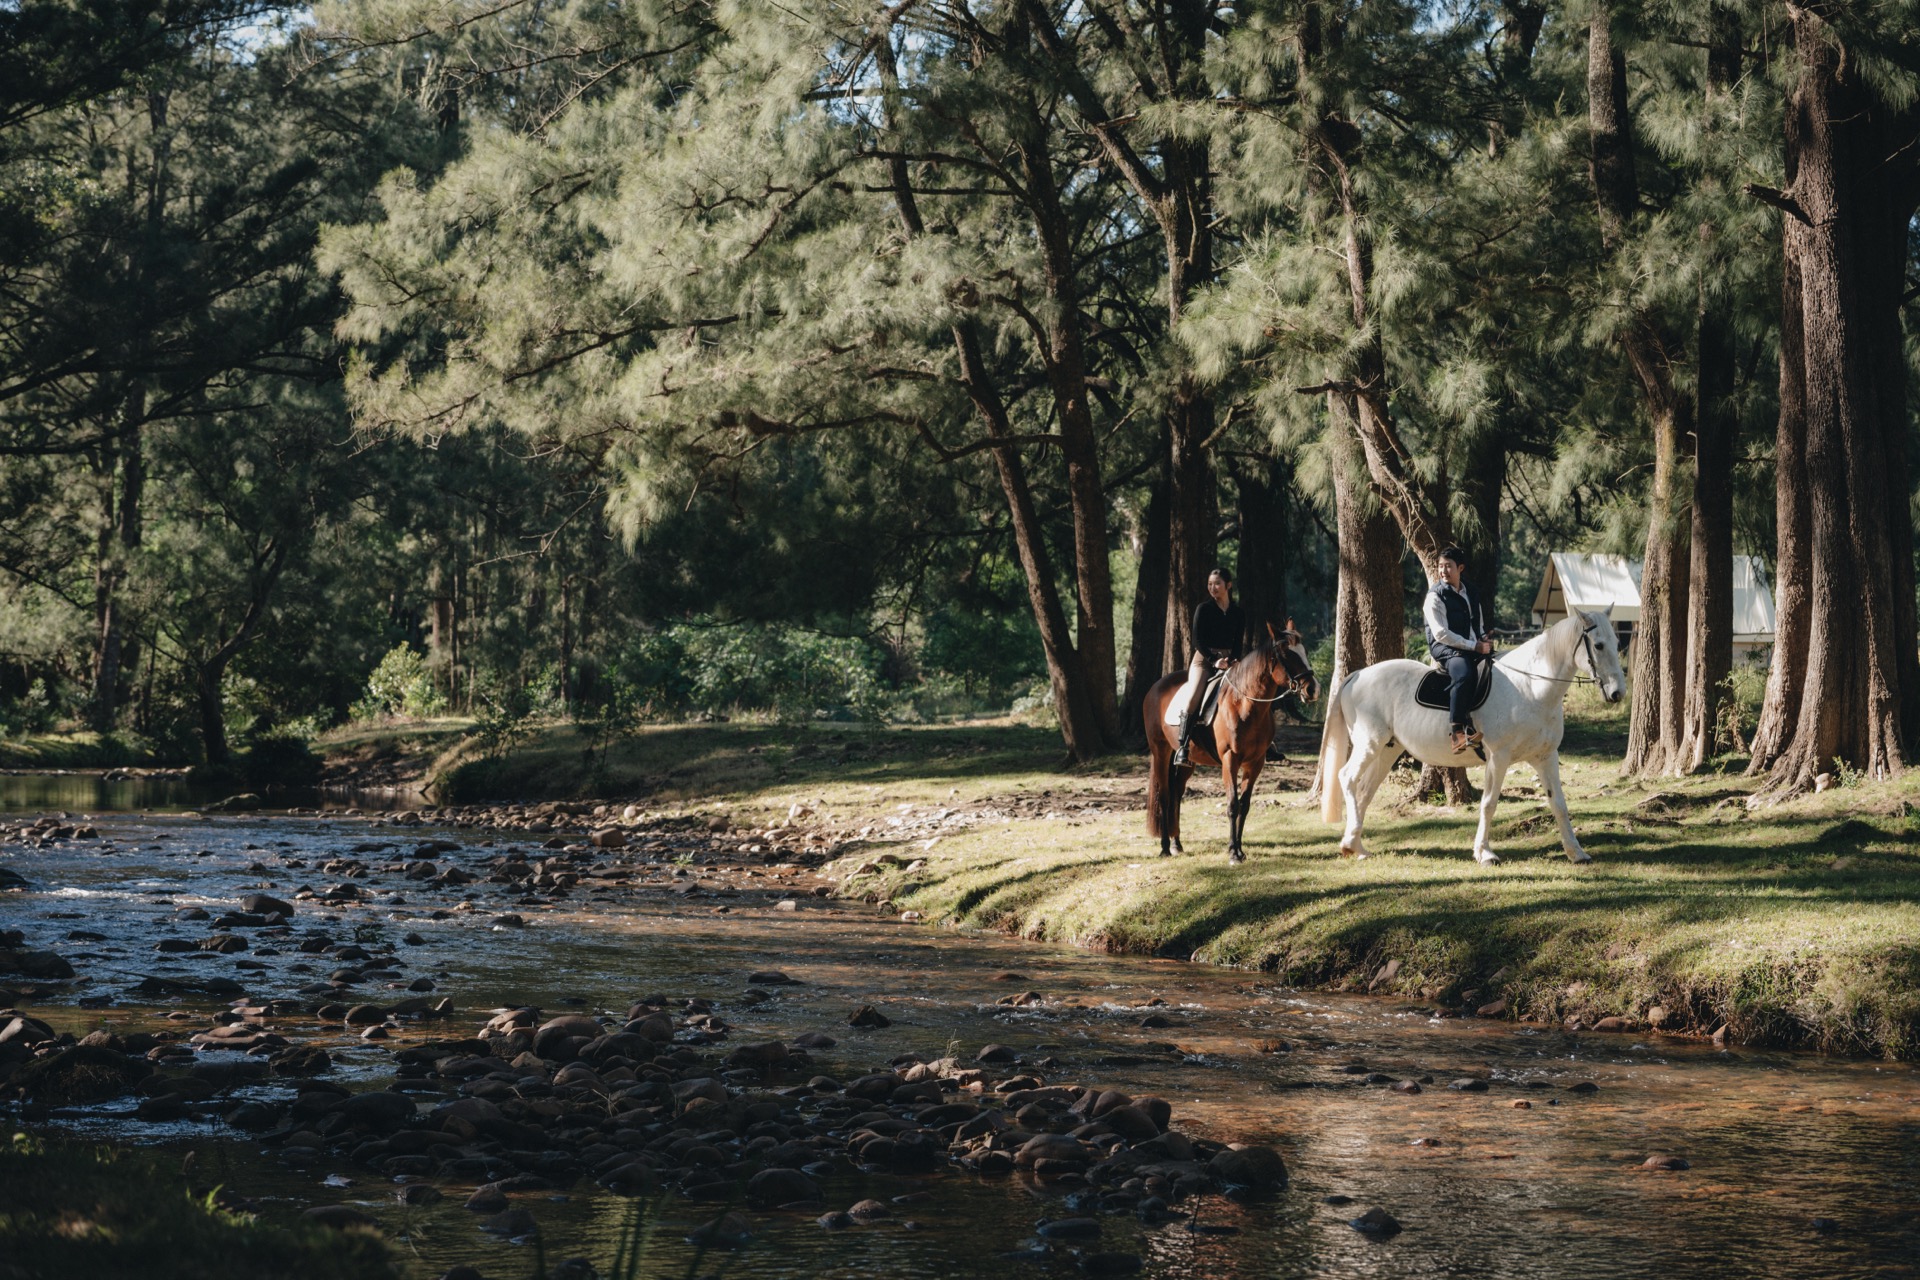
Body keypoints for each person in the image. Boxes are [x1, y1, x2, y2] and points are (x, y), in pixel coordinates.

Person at [1172, 568, 1246, 766]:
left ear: (1228, 585)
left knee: (1250, 691)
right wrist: (1214, 660)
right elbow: (1197, 640)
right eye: (1210, 584)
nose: (1213, 588)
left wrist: (1234, 659)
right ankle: (1182, 747)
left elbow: (1238, 642)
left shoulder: (1238, 613)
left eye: (1217, 584)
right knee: (1194, 697)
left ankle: (1265, 743)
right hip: (1204, 660)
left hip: (1229, 661)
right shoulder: (1203, 609)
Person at [1424, 546, 1494, 754]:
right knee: (1463, 674)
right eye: (1440, 566)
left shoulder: (1470, 591)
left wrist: (1482, 638)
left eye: (1448, 566)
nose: (1443, 571)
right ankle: (1457, 733)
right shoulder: (1435, 596)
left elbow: (1477, 623)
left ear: (1460, 568)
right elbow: (1441, 634)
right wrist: (1474, 646)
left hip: (1467, 645)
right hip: (1444, 647)